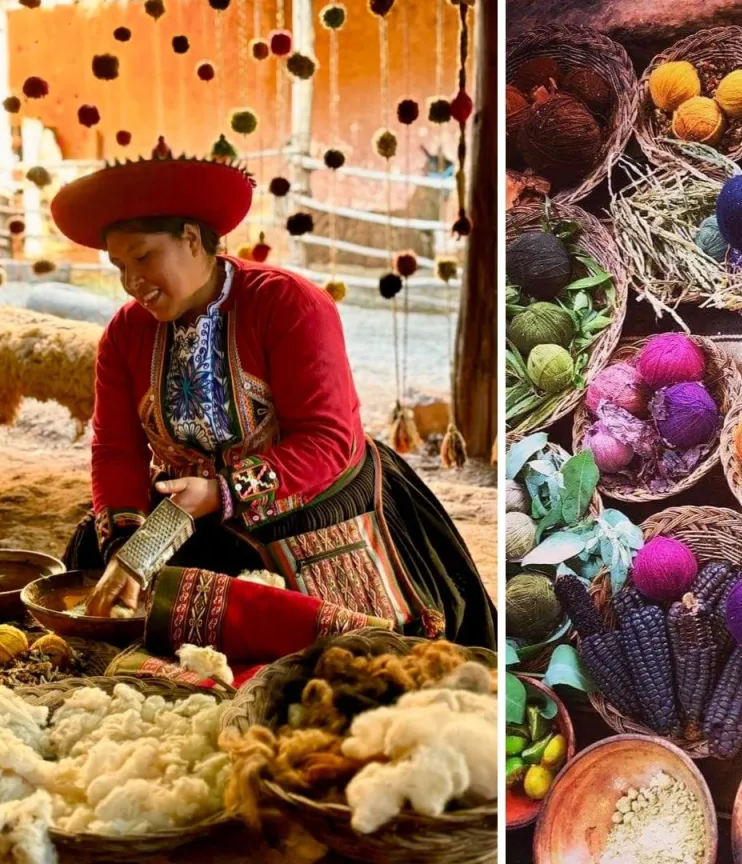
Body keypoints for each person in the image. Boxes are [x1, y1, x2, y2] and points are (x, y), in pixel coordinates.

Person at [49, 141, 497, 652]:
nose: (132, 282)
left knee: (333, 644)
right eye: (119, 266)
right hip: (186, 501)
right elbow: (115, 451)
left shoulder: (289, 305)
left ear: (192, 239)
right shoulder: (125, 335)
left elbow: (327, 440)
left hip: (306, 494)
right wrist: (132, 547)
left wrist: (224, 492)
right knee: (99, 553)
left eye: (144, 257)